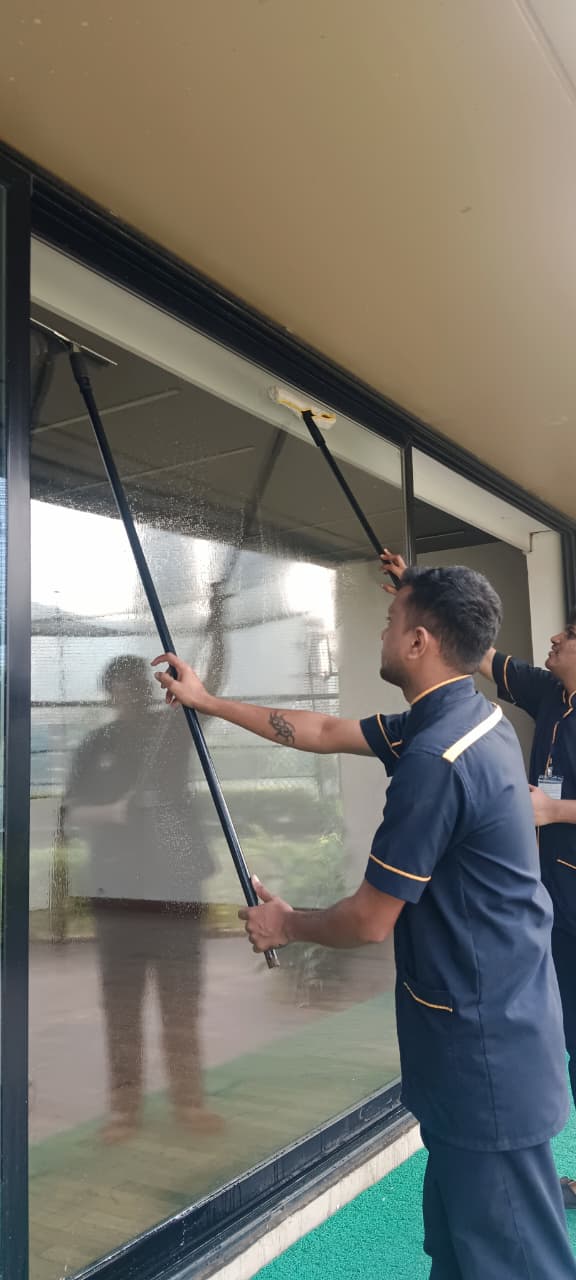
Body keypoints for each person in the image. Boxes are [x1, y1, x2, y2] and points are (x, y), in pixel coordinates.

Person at [153, 566, 576, 1279]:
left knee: (511, 1261)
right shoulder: (469, 718)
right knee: (461, 1251)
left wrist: (286, 925)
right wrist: (208, 701)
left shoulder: (438, 758)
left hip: (486, 1056)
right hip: (484, 1037)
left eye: (388, 623)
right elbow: (323, 730)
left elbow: (370, 919)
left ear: (417, 642)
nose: (379, 634)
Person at [64, 655, 223, 1144]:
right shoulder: (96, 745)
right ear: (110, 693)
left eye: (137, 684)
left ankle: (190, 1103)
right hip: (117, 896)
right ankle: (124, 1111)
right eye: (121, 686)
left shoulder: (172, 731)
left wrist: (218, 630)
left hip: (177, 893)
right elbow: (71, 812)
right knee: (122, 1008)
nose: (130, 693)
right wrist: (112, 811)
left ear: (149, 688)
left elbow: (210, 687)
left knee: (181, 1003)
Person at [474, 593, 576, 1210]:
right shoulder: (549, 693)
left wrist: (556, 810)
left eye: (568, 634)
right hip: (554, 901)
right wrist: (416, 586)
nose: (555, 640)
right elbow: (480, 653)